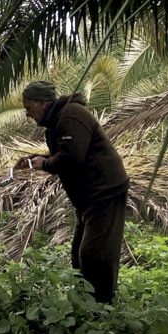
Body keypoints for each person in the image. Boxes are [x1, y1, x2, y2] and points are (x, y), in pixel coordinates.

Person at [15, 80, 129, 303]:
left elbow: (72, 158)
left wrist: (44, 164)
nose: (27, 114)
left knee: (95, 256)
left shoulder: (70, 116)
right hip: (88, 199)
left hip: (104, 193)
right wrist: (37, 159)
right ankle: (86, 302)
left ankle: (102, 307)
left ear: (43, 103)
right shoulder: (58, 120)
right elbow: (67, 152)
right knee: (80, 254)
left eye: (29, 107)